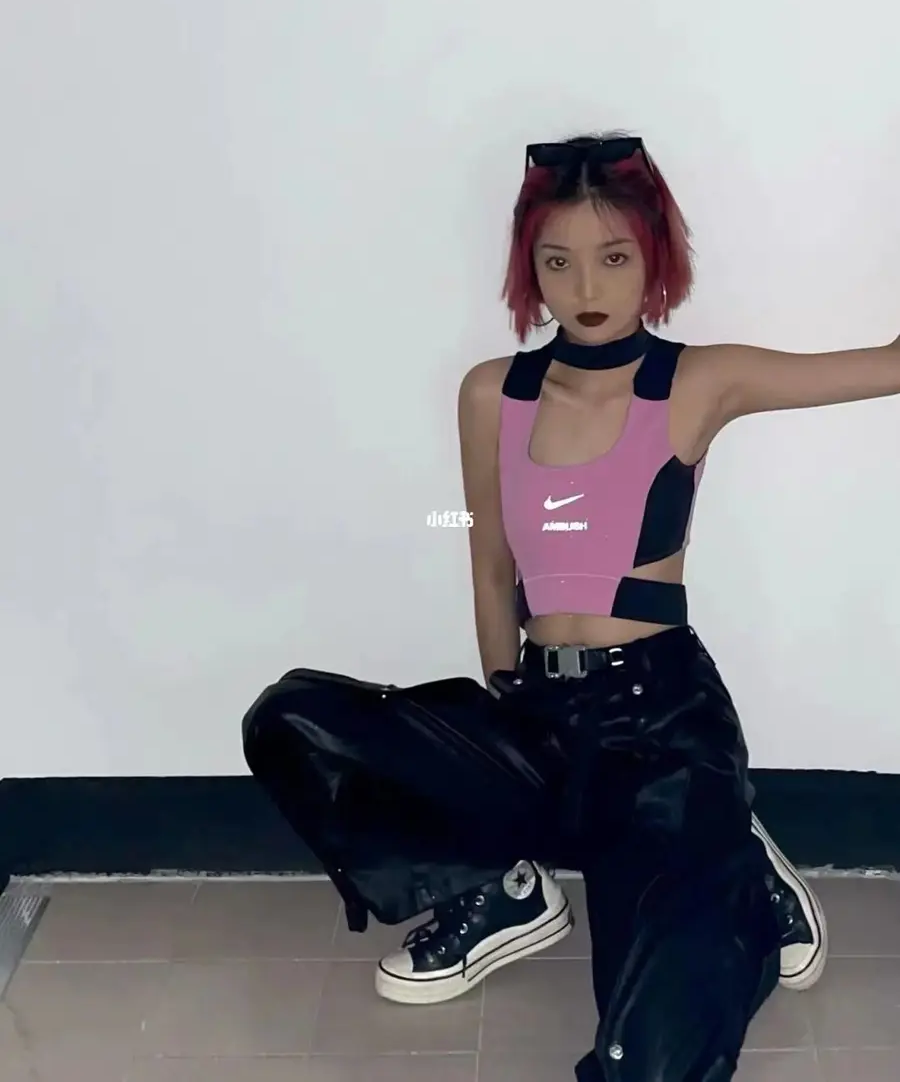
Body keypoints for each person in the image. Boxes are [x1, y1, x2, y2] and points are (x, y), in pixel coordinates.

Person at [241, 131, 900, 1078]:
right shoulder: (491, 394)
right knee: (294, 722)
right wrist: (504, 706)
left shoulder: (701, 380)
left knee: (645, 1063)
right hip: (540, 719)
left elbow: (889, 364)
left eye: (613, 258)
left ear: (653, 260)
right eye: (557, 262)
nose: (585, 286)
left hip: (660, 730)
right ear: (530, 269)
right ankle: (506, 885)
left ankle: (736, 877)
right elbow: (490, 563)